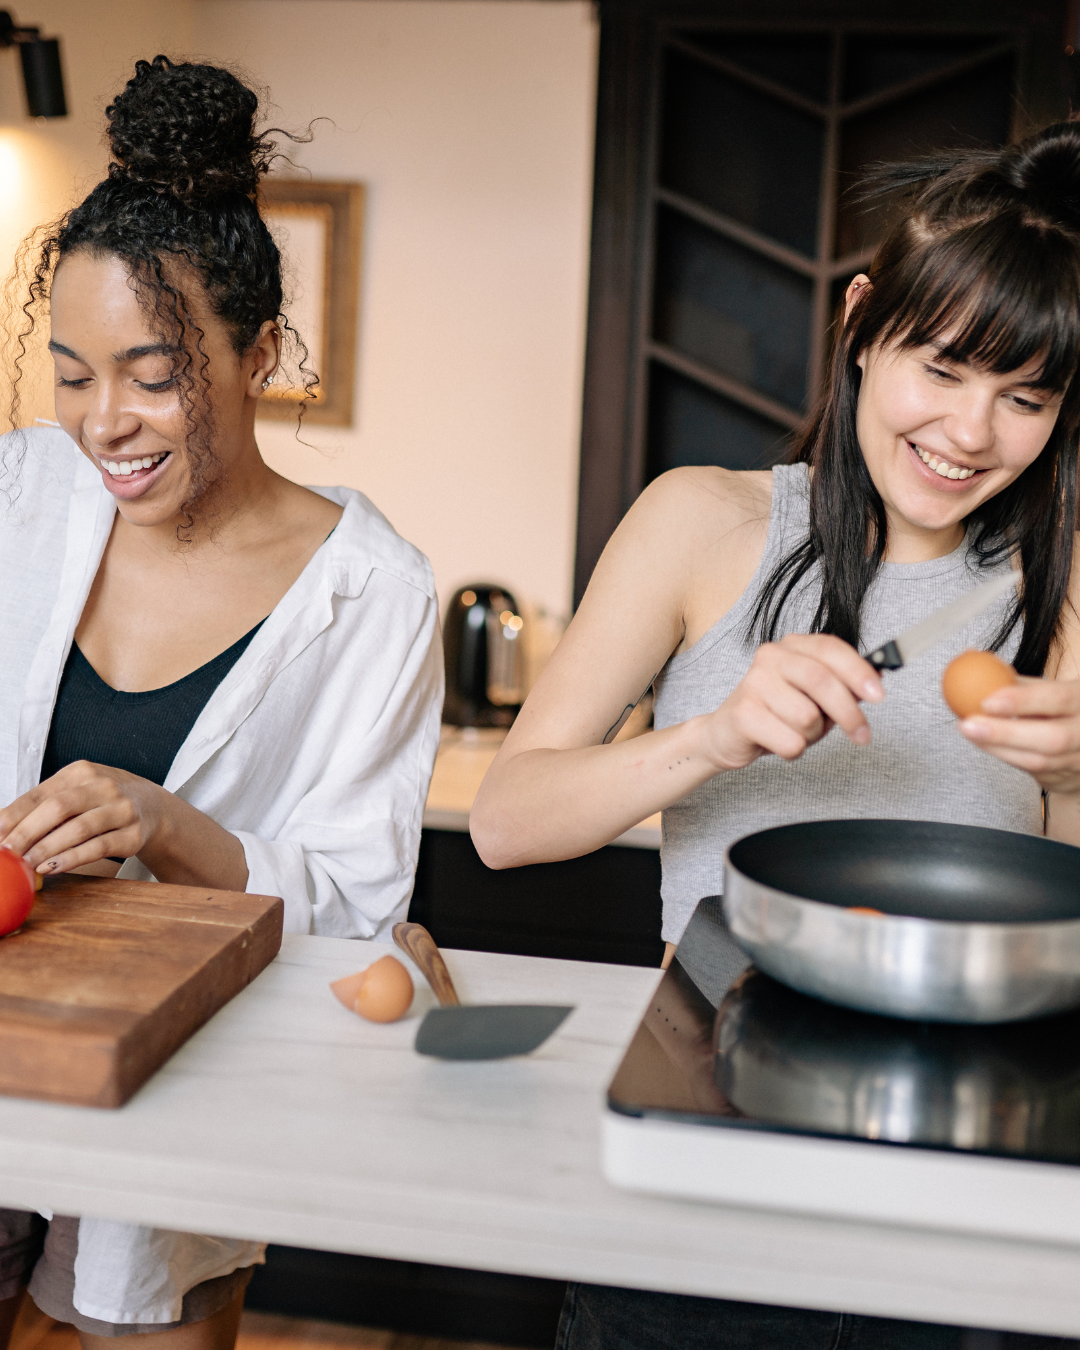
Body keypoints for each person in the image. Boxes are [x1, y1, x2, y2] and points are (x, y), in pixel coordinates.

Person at [472, 121, 1080, 1349]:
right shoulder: (705, 523)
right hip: (709, 1128)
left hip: (979, 1167)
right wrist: (710, 737)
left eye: (1026, 398)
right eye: (944, 370)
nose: (971, 434)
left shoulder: (1067, 582)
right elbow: (504, 824)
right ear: (861, 324)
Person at [0, 57, 442, 1349]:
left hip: (179, 1111)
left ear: (259, 355)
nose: (102, 422)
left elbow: (360, 908)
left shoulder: (370, 590)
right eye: (72, 372)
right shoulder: (22, 493)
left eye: (152, 371)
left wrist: (165, 819)